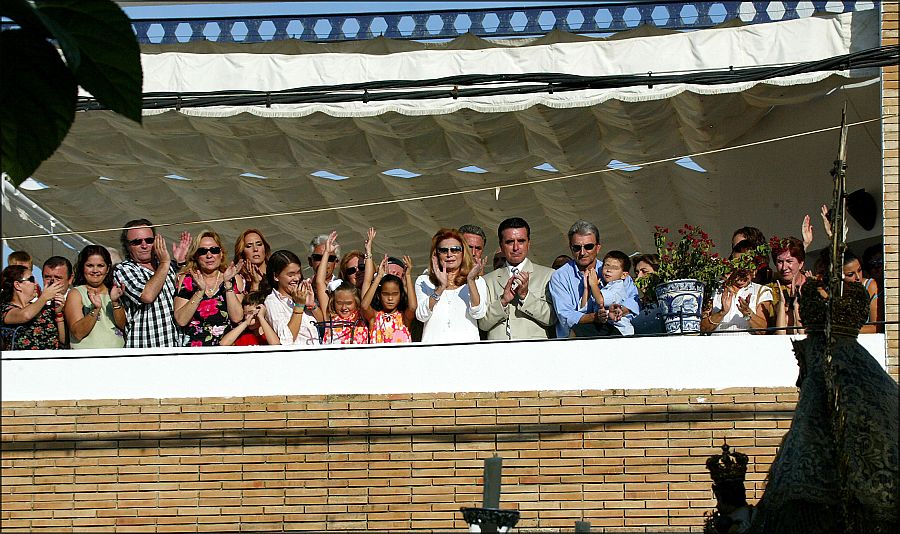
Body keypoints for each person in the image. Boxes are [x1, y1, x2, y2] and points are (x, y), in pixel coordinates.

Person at [550, 220, 638, 338]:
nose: (582, 252)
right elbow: (565, 315)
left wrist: (620, 310)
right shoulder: (560, 276)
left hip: (613, 334)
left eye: (588, 247)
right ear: (570, 248)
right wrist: (596, 317)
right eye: (577, 247)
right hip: (576, 341)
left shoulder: (614, 271)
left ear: (598, 248)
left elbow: (635, 300)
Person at [113, 219, 191, 348]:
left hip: (176, 345)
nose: (144, 245)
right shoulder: (124, 269)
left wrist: (182, 263)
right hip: (146, 347)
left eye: (149, 240)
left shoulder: (169, 265)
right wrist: (165, 263)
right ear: (127, 245)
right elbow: (147, 295)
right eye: (137, 242)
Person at [478, 217, 555, 340]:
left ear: (529, 243)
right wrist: (503, 301)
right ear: (501, 245)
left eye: (521, 241)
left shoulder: (548, 275)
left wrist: (526, 296)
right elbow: (482, 324)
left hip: (534, 350)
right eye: (509, 242)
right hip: (499, 351)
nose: (516, 247)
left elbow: (552, 318)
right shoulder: (488, 280)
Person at [415, 228, 487, 343]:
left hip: (467, 349)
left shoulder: (477, 281)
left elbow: (479, 313)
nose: (449, 254)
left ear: (463, 253)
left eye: (455, 250)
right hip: (434, 349)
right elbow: (422, 315)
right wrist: (440, 288)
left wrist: (471, 281)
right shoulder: (424, 281)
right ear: (436, 254)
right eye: (443, 250)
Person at [174, 231, 244, 346]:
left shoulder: (233, 278)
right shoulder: (186, 279)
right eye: (203, 251)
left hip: (226, 349)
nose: (209, 255)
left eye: (214, 250)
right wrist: (199, 291)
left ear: (221, 254)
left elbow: (237, 318)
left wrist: (227, 284)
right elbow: (181, 320)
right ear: (196, 255)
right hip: (195, 350)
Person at [701, 245, 774, 335]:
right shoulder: (715, 288)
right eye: (738, 265)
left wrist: (748, 313)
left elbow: (764, 331)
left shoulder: (762, 291)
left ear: (754, 271)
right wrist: (721, 313)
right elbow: (702, 328)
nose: (742, 271)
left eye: (747, 266)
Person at [64, 245, 127, 349]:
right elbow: (78, 333)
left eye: (100, 266)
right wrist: (95, 310)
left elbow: (123, 326)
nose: (95, 270)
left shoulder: (115, 292)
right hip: (87, 358)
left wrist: (115, 302)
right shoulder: (76, 293)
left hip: (116, 357)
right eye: (90, 265)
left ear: (107, 269)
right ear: (82, 267)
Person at [314, 232, 369, 344]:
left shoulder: (361, 314)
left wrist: (368, 254)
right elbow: (320, 282)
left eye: (349, 303)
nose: (344, 307)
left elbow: (366, 281)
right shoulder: (331, 316)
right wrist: (327, 253)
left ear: (356, 302)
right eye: (339, 303)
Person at [1, 264, 66, 350]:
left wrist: (58, 313)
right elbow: (25, 315)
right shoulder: (5, 309)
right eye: (31, 279)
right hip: (21, 362)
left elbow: (62, 340)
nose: (36, 283)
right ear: (17, 285)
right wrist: (44, 297)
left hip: (51, 360)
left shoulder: (44, 308)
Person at [264, 250, 319, 345]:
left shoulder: (303, 294)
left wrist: (312, 306)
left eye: (298, 272)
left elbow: (325, 326)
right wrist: (299, 305)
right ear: (276, 276)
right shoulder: (272, 301)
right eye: (290, 275)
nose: (297, 278)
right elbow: (287, 340)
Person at [361, 254, 417, 343]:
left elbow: (413, 307)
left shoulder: (404, 317)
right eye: (385, 294)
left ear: (400, 295)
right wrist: (379, 277)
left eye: (395, 294)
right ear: (379, 295)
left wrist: (408, 276)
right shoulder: (375, 317)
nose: (390, 298)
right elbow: (364, 306)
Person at [584, 250, 640, 336]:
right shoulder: (602, 286)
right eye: (606, 266)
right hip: (604, 327)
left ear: (624, 275)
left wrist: (593, 284)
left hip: (619, 330)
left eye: (615, 268)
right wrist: (586, 288)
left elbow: (600, 300)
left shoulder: (618, 286)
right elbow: (584, 309)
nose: (609, 270)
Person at [768, 236, 807, 335]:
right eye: (780, 262)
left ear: (801, 263)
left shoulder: (815, 285)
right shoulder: (769, 290)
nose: (784, 268)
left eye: (789, 261)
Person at [631, 253, 665, 335]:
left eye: (644, 272)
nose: (638, 277)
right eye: (637, 273)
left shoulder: (669, 302)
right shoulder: (636, 304)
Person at [233, 228, 271, 296]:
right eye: (249, 246)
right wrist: (254, 284)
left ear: (265, 248)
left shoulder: (276, 273)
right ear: (242, 252)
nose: (255, 249)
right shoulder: (239, 280)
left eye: (259, 244)